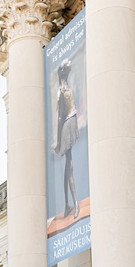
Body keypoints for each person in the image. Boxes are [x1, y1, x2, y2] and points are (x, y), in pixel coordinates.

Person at [54, 59, 80, 219]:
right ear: (62, 72)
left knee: (68, 166)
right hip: (66, 125)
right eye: (66, 69)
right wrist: (57, 141)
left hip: (72, 120)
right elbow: (59, 118)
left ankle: (67, 204)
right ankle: (74, 203)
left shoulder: (68, 86)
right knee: (69, 165)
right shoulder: (61, 91)